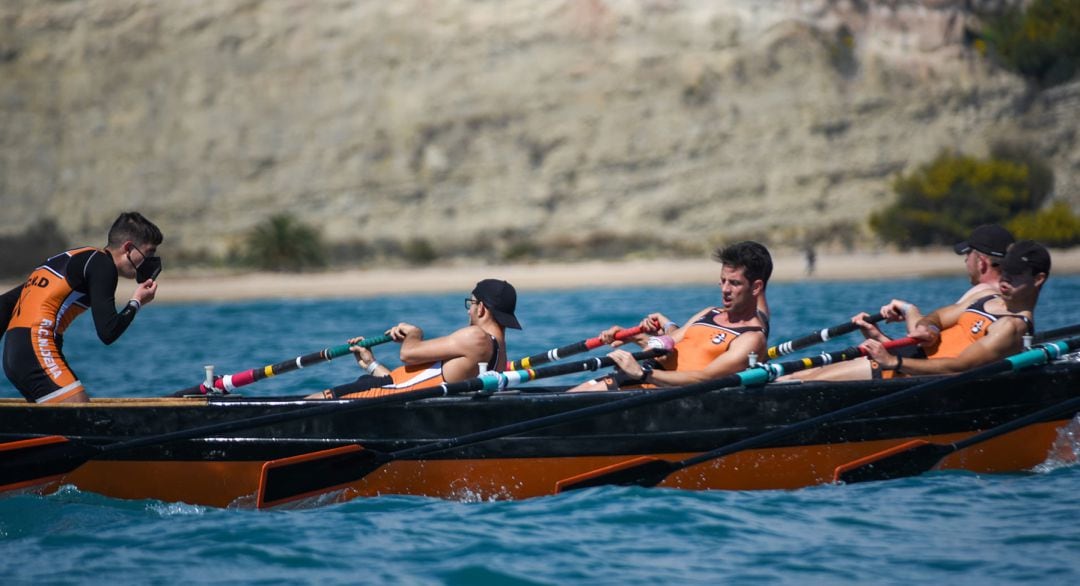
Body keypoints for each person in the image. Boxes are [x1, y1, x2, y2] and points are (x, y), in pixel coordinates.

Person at [788, 240, 1049, 381]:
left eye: (1016, 275)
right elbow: (937, 317)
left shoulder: (1012, 326)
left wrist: (895, 361)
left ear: (1038, 279)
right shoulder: (987, 299)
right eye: (1004, 271)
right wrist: (929, 328)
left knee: (802, 382)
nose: (1006, 279)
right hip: (906, 358)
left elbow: (960, 366)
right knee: (798, 375)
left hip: (907, 371)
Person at [0, 212, 163, 403]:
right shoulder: (103, 266)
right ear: (128, 248)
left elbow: (5, 303)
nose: (150, 259)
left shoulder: (76, 257)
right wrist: (136, 302)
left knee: (68, 417)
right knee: (82, 416)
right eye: (149, 252)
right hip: (36, 349)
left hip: (16, 354)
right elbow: (108, 332)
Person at [569, 241, 772, 391]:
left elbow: (705, 379)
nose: (725, 290)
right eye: (722, 281)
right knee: (571, 395)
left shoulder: (751, 339)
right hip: (644, 380)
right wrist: (631, 336)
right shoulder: (709, 313)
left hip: (666, 393)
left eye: (734, 283)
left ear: (756, 287)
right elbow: (665, 348)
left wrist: (643, 373)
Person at [311, 279, 522, 399]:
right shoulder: (501, 354)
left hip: (383, 397)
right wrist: (371, 364)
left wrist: (414, 335)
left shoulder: (476, 337)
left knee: (313, 401)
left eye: (471, 303)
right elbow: (418, 382)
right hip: (391, 388)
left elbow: (407, 355)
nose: (469, 312)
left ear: (482, 308)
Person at [847, 224, 1014, 350]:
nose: (965, 260)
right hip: (933, 367)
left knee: (821, 374)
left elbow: (923, 339)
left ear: (981, 262)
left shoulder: (983, 292)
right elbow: (939, 350)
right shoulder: (1013, 300)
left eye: (968, 254)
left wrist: (908, 309)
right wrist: (879, 337)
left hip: (932, 371)